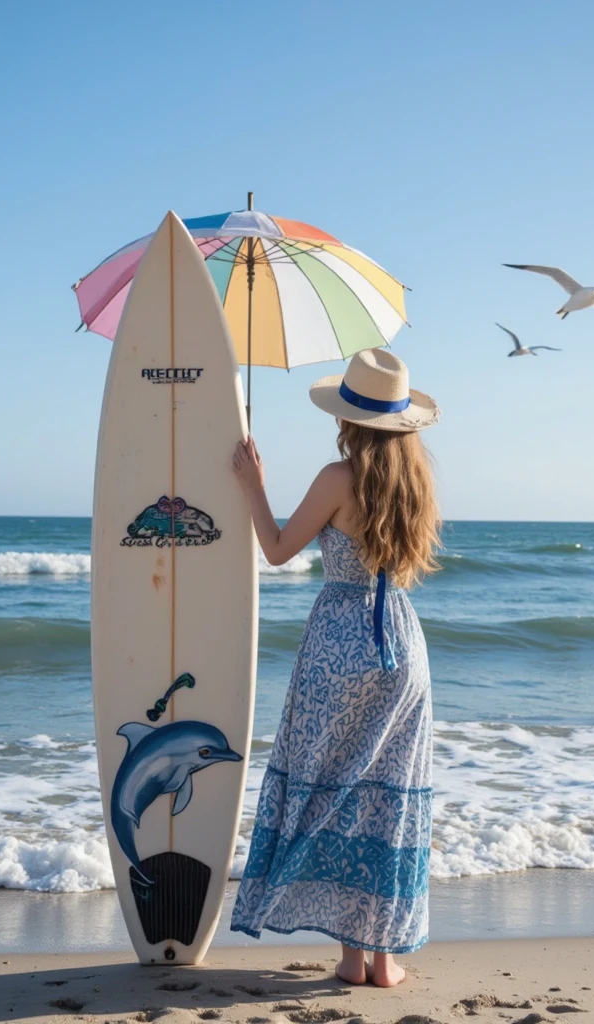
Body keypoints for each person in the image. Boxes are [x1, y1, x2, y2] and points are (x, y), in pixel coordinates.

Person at [230, 348, 441, 988]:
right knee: (386, 798)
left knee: (331, 791)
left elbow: (274, 549)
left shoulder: (336, 477)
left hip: (339, 644)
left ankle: (351, 957)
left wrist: (253, 485)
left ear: (348, 419)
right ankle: (382, 960)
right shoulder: (415, 484)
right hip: (401, 647)